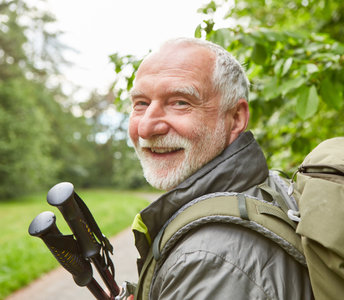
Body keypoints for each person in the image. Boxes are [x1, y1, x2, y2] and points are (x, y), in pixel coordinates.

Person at [127, 37, 314, 299]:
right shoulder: (263, 188)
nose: (146, 127)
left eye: (180, 102)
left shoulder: (209, 260)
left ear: (235, 117)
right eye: (141, 104)